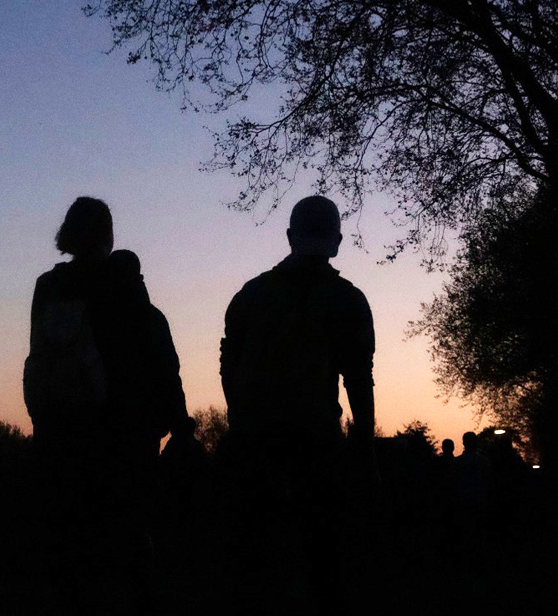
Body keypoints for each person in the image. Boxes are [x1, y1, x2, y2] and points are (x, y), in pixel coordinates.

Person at [27, 196, 195, 614]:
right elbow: (160, 357)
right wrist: (180, 426)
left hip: (61, 432)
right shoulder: (124, 284)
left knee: (73, 551)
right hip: (124, 436)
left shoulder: (48, 287)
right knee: (132, 539)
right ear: (108, 234)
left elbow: (40, 354)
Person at [218, 194, 376, 615]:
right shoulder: (347, 299)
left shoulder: (249, 296)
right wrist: (364, 443)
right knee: (323, 564)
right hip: (316, 446)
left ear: (289, 236)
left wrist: (240, 419)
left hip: (253, 445)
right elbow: (359, 380)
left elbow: (228, 365)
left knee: (255, 568)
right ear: (337, 241)